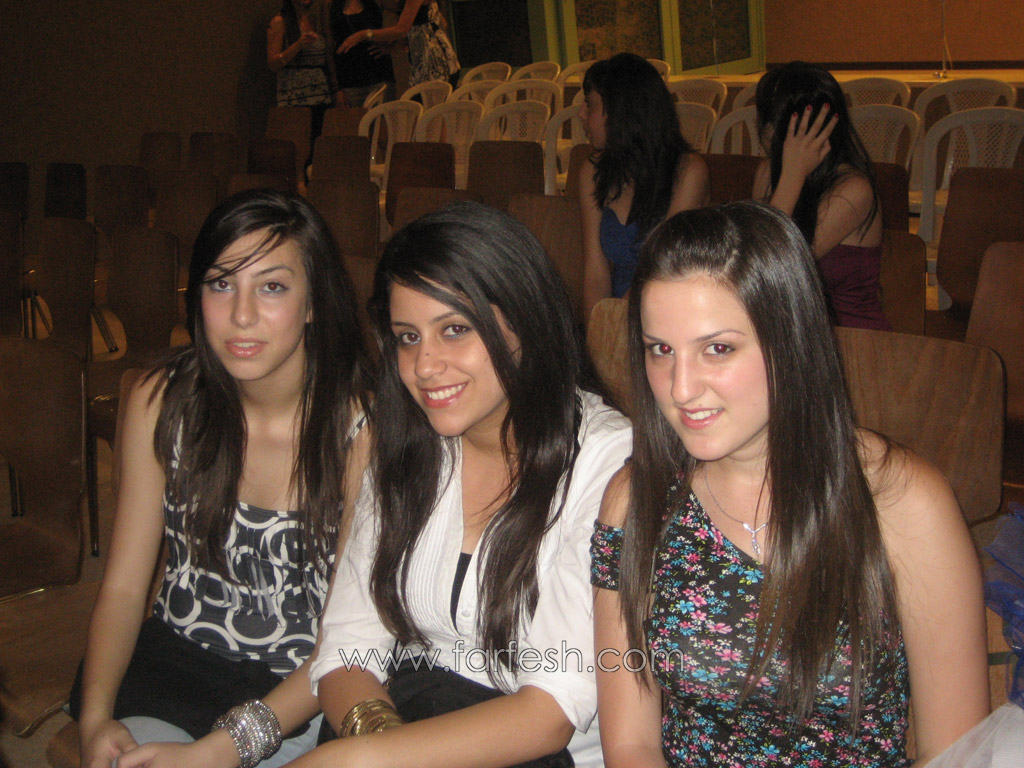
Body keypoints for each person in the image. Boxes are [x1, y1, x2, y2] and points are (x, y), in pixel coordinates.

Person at [592, 202, 988, 767]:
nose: (680, 388)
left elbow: (954, 751)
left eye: (717, 348)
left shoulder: (901, 503)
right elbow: (631, 743)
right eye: (661, 350)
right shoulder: (636, 500)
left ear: (790, 341)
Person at [296, 202, 632, 768]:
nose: (424, 366)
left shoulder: (608, 462)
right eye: (407, 337)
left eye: (455, 330)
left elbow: (551, 707)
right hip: (404, 721)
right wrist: (379, 738)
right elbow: (348, 645)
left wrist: (366, 760)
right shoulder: (408, 441)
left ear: (525, 319)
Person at [74, 189, 373, 768]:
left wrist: (223, 748)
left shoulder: (362, 431)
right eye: (220, 284)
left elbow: (345, 642)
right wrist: (94, 716)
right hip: (177, 664)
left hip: (301, 689)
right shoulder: (161, 402)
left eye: (272, 287)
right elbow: (124, 588)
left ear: (314, 301)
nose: (241, 315)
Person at [753, 61, 889, 330]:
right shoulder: (768, 172)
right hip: (795, 335)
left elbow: (767, 262)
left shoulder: (854, 189)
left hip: (852, 339)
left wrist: (793, 173)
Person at [578, 52, 709, 323]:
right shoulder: (593, 171)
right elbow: (595, 274)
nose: (581, 114)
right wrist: (597, 333)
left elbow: (661, 269)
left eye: (589, 105)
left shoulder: (687, 171)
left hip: (672, 314)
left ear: (620, 111)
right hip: (617, 317)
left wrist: (616, 327)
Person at [268, 0, 339, 183]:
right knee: (297, 149)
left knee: (318, 146)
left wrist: (335, 88)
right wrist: (298, 45)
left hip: (320, 94)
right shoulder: (280, 21)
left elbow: (328, 55)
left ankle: (314, 187)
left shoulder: (316, 19)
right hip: (293, 96)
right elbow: (273, 63)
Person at [335, 0, 459, 87]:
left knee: (431, 111)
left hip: (434, 62)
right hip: (427, 60)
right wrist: (399, 44)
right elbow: (440, 23)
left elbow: (401, 30)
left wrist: (362, 35)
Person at [325, 0, 396, 108]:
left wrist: (391, 46)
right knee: (354, 118)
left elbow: (402, 22)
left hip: (379, 74)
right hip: (348, 78)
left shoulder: (376, 2)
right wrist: (336, 88)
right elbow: (329, 45)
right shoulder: (331, 6)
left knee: (382, 117)